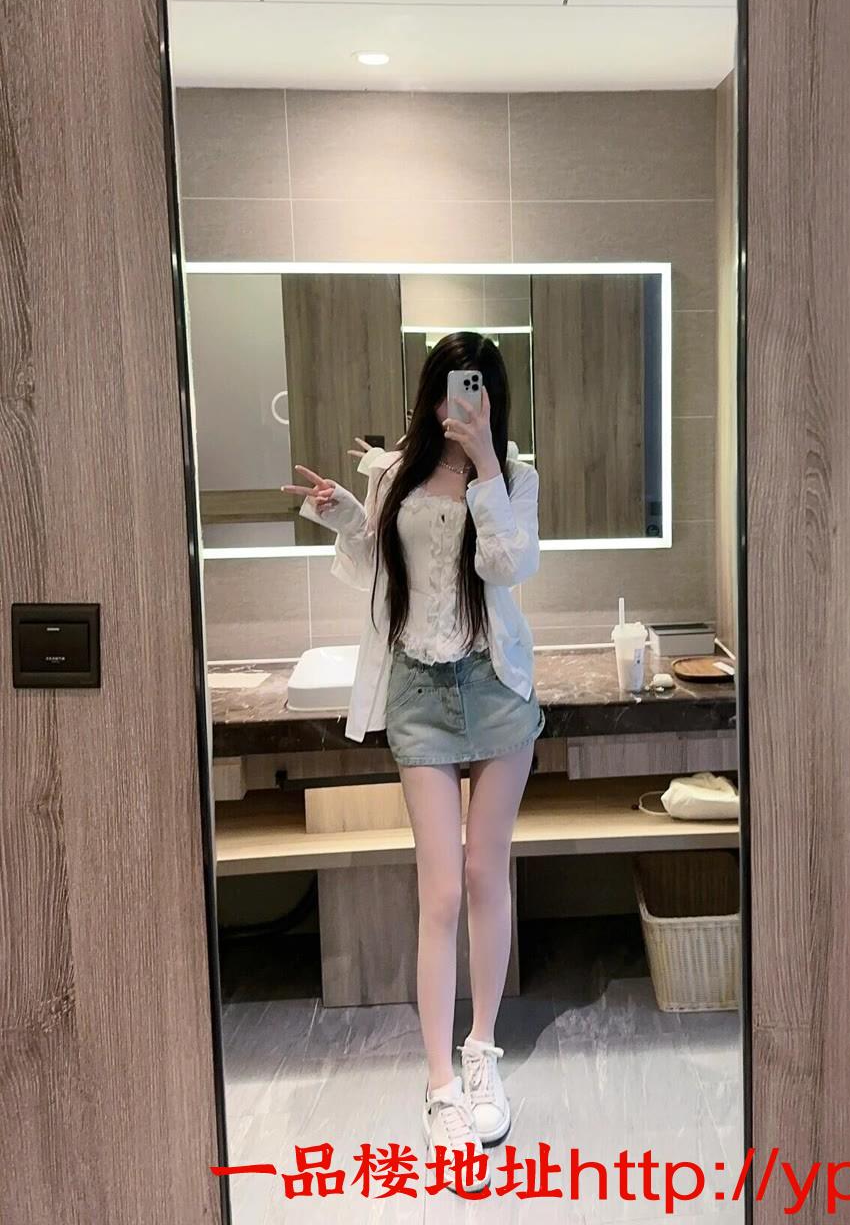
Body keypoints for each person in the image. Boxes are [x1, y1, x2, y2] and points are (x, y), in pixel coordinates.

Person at [283, 332, 543, 1194]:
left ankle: (481, 1056)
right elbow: (373, 564)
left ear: (491, 397)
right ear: (429, 392)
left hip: (495, 688)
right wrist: (340, 513)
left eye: (474, 389)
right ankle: (440, 1085)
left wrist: (487, 465)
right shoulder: (393, 471)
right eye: (447, 387)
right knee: (440, 890)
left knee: (485, 875)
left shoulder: (517, 476)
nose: (456, 403)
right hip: (420, 692)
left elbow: (508, 564)